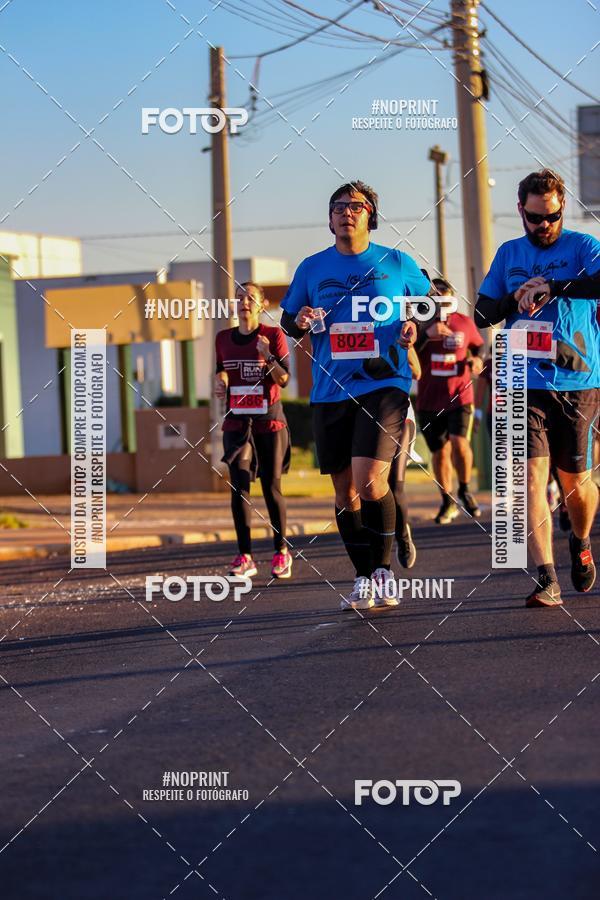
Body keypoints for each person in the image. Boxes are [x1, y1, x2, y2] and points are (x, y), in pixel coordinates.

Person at [280, 180, 431, 610]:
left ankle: (383, 572)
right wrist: (303, 319)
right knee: (344, 492)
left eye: (357, 206)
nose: (348, 212)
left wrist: (413, 326)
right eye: (339, 207)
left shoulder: (396, 262)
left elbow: (431, 303)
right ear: (329, 220)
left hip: (385, 383)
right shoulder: (312, 268)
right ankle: (362, 576)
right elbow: (289, 321)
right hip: (330, 389)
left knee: (370, 480)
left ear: (371, 217)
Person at [475, 168, 600, 607]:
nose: (542, 226)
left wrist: (555, 286)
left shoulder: (584, 247)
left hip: (577, 379)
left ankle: (580, 540)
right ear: (521, 212)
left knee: (576, 483)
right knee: (528, 480)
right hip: (521, 380)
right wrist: (515, 299)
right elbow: (481, 314)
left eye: (550, 217)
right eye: (534, 218)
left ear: (561, 208)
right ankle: (546, 577)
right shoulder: (509, 254)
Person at [215, 282, 293, 580]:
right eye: (238, 297)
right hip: (237, 421)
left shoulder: (272, 335)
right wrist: (220, 383)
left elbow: (284, 379)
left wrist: (267, 354)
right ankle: (245, 556)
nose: (244, 302)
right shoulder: (223, 338)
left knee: (271, 488)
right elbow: (221, 370)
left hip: (269, 421)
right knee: (239, 488)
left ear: (261, 305)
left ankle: (281, 552)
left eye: (250, 298)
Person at [415, 277, 484, 524]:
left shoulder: (464, 323)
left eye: (446, 301)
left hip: (460, 395)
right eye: (436, 302)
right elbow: (403, 350)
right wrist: (426, 336)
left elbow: (478, 346)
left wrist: (477, 360)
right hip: (429, 400)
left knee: (459, 444)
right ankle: (447, 500)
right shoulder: (418, 325)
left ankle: (465, 489)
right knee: (440, 454)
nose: (442, 307)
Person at [388, 345, 421, 568]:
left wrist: (406, 346)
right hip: (363, 414)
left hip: (400, 414)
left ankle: (402, 536)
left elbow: (417, 371)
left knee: (394, 482)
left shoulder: (394, 328)